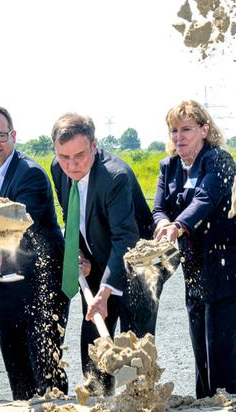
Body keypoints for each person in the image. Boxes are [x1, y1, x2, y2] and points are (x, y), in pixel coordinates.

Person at [0, 105, 68, 400]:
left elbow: (18, 223)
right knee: (17, 368)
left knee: (46, 369)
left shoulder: (30, 174)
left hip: (41, 284)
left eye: (1, 135)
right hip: (7, 281)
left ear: (14, 135)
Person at [153, 100, 236, 398]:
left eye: (186, 129)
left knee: (225, 361)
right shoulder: (168, 167)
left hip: (229, 270)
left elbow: (205, 200)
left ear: (204, 129)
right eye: (174, 130)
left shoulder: (218, 160)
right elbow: (158, 208)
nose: (179, 137)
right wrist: (163, 224)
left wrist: (178, 226)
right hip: (196, 274)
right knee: (203, 359)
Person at [50, 112, 156, 395]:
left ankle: (140, 407)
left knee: (134, 349)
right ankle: (98, 403)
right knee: (95, 345)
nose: (71, 165)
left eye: (79, 156)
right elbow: (73, 213)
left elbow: (126, 238)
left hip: (138, 266)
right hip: (98, 261)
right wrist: (80, 253)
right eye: (64, 156)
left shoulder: (115, 177)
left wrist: (106, 291)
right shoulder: (58, 168)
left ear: (94, 146)